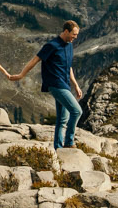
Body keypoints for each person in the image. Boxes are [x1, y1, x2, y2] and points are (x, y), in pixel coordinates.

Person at [14, 20, 84, 149]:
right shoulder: (52, 45)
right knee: (76, 111)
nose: (75, 37)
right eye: (74, 34)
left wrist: (76, 85)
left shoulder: (69, 46)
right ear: (66, 31)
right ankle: (69, 142)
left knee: (63, 119)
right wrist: (21, 75)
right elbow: (35, 60)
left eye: (77, 35)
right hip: (55, 84)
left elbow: (68, 67)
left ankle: (58, 148)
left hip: (65, 84)